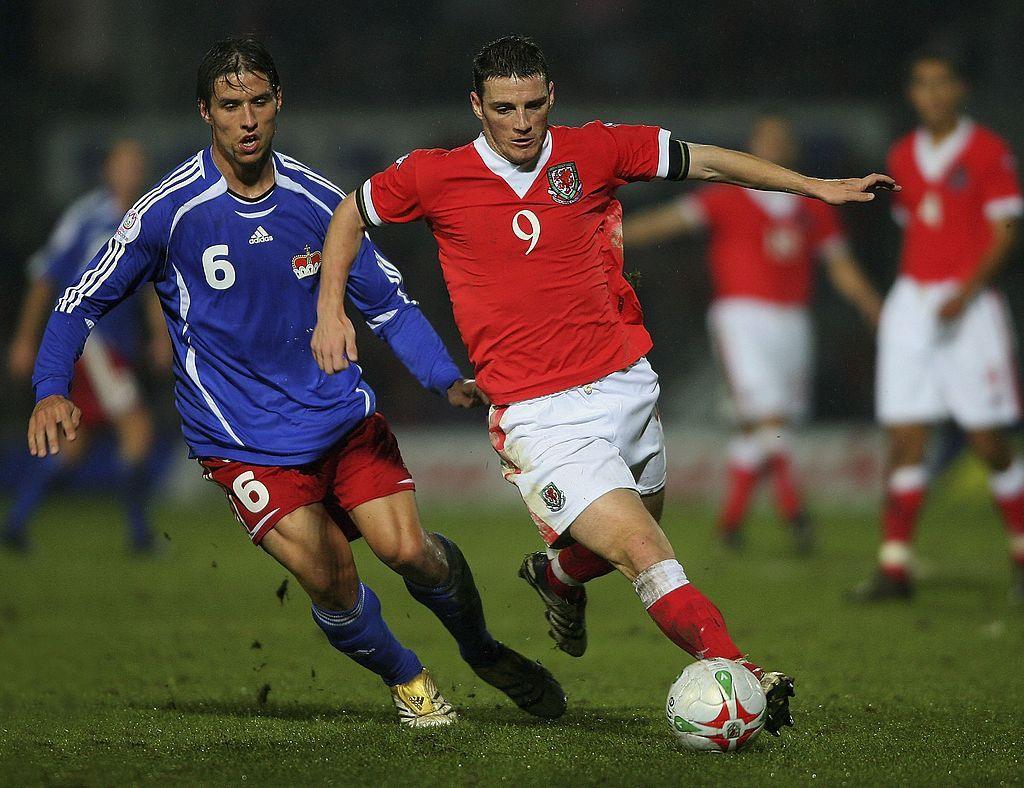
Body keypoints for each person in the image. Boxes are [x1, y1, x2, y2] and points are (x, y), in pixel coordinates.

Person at [312, 35, 897, 734]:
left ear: (551, 97)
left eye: (533, 104)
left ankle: (556, 576)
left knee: (627, 534)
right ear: (478, 106)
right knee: (646, 553)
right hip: (537, 413)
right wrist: (329, 310)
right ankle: (745, 674)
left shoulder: (595, 150)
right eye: (504, 108)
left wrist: (813, 187)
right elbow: (349, 211)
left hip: (626, 385)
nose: (521, 122)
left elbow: (704, 158)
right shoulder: (435, 175)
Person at [26, 37, 565, 728]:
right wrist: (50, 387)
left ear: (278, 103)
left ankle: (482, 649)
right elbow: (79, 300)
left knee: (412, 552)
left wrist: (444, 379)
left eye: (257, 101)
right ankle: (409, 678)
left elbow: (391, 304)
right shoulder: (169, 211)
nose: (245, 119)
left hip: (340, 421)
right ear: (206, 113)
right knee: (332, 576)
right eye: (229, 106)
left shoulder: (321, 202)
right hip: (243, 442)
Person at [623, 115, 882, 552]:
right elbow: (667, 221)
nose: (773, 144)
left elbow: (840, 265)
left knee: (764, 427)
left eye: (781, 138)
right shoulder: (727, 197)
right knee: (769, 417)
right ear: (752, 144)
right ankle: (794, 511)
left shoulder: (813, 205)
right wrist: (607, 236)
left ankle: (730, 525)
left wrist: (872, 304)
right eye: (765, 137)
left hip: (793, 321)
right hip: (741, 317)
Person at [851, 49, 1023, 601]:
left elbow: (1004, 233)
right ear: (912, 94)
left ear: (959, 89)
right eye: (922, 83)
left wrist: (965, 291)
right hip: (913, 303)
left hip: (969, 308)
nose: (932, 92)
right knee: (904, 437)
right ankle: (894, 567)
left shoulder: (989, 151)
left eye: (941, 82)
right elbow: (915, 226)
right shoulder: (902, 155)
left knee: (987, 440)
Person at [4, 139, 169, 554]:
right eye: (123, 164)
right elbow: (45, 277)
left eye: (137, 164)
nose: (130, 172)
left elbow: (150, 286)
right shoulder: (86, 216)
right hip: (93, 341)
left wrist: (160, 336)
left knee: (74, 444)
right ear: (107, 170)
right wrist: (26, 339)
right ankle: (139, 536)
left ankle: (16, 523)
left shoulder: (146, 216)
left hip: (116, 345)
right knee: (138, 431)